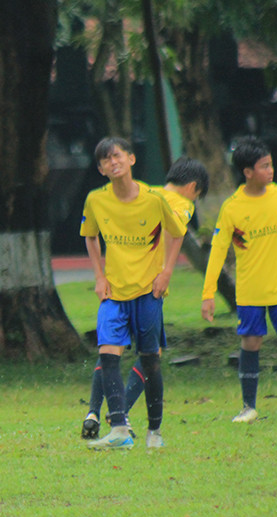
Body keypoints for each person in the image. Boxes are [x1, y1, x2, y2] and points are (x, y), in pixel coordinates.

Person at [81, 157, 209, 440]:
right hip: (149, 287)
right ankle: (123, 413)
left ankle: (93, 410)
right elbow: (173, 235)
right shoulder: (182, 205)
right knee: (151, 354)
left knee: (110, 348)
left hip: (118, 283)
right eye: (198, 195)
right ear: (192, 187)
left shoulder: (147, 192)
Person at [201, 137, 277, 422]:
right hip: (250, 290)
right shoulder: (232, 208)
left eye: (270, 165)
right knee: (251, 343)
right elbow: (218, 251)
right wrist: (208, 294)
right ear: (247, 172)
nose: (271, 171)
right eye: (264, 166)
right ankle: (249, 407)